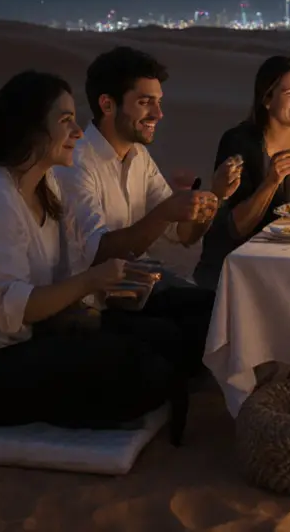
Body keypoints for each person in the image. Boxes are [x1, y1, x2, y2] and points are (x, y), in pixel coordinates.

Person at [0, 71, 188, 441]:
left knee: (164, 337)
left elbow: (65, 284)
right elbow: (13, 309)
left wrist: (112, 289)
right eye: (65, 122)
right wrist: (92, 281)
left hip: (33, 339)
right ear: (29, 130)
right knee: (140, 373)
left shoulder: (45, 187)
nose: (79, 132)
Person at [53, 47, 241, 375]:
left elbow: (184, 234)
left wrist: (216, 197)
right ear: (107, 104)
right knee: (188, 337)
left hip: (138, 291)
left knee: (222, 312)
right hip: (94, 309)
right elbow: (98, 254)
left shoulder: (138, 156)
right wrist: (165, 213)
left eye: (159, 102)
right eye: (145, 102)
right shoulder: (78, 163)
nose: (158, 114)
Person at [193, 55, 290, 290]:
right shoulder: (239, 143)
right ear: (267, 100)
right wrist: (272, 181)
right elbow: (236, 227)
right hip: (238, 267)